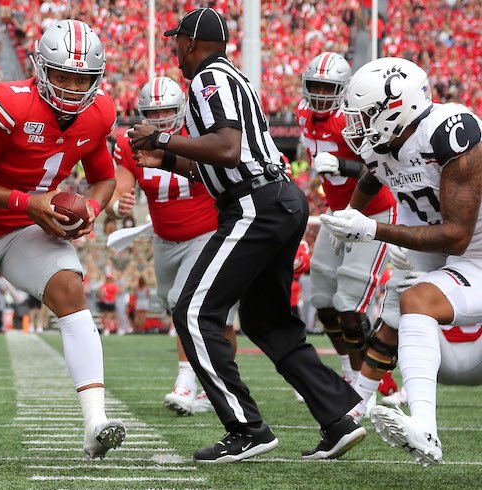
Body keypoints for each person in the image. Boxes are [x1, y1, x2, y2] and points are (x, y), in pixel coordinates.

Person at [129, 8, 364, 463]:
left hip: (256, 204)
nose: (175, 50)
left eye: (178, 42)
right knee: (266, 321)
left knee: (194, 312)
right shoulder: (229, 77)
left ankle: (246, 429)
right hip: (275, 199)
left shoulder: (207, 78)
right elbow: (221, 161)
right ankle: (337, 417)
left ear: (192, 43)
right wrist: (170, 160)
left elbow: (228, 150)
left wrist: (160, 140)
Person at [0, 19, 125, 459]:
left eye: (83, 78)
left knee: (71, 291)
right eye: (63, 76)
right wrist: (25, 202)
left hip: (31, 227)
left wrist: (91, 208)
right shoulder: (10, 103)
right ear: (40, 68)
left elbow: (104, 179)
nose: (72, 88)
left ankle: (95, 421)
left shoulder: (100, 111)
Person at [320, 57, 482, 466]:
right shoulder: (382, 144)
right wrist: (347, 219)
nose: (357, 126)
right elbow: (373, 176)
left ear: (397, 107)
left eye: (366, 115)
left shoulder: (450, 132)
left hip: (470, 246)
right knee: (396, 310)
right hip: (434, 243)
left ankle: (424, 427)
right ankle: (357, 405)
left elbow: (457, 235)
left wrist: (373, 230)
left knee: (417, 302)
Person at [107, 76, 237, 416]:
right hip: (165, 239)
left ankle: (187, 383)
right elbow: (123, 180)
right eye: (154, 111)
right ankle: (219, 387)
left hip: (208, 233)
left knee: (187, 304)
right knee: (190, 311)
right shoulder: (130, 141)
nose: (162, 117)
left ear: (181, 110)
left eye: (167, 110)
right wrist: (118, 201)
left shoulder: (198, 138)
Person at [297, 52, 399, 410]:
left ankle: (370, 384)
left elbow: (380, 169)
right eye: (316, 86)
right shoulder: (302, 114)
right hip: (337, 212)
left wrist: (342, 163)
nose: (321, 93)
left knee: (349, 307)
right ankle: (348, 371)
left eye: (329, 87)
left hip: (373, 213)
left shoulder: (352, 120)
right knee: (322, 300)